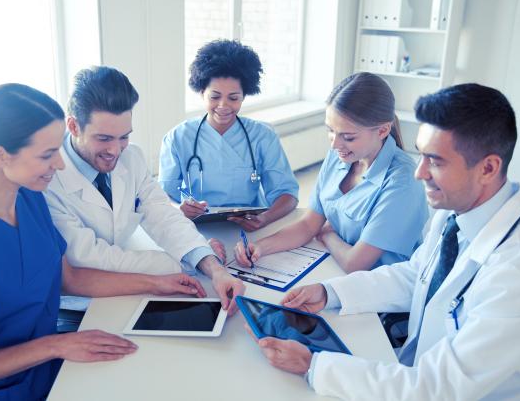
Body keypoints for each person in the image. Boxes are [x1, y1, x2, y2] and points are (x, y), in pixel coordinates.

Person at [0, 84, 208, 400]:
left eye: (58, 149)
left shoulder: (29, 200)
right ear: (0, 156)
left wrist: (156, 284)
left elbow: (69, 278)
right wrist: (56, 344)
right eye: (47, 155)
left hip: (46, 369)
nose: (59, 164)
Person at [247, 83, 520, 400]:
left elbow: (437, 388)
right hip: (410, 371)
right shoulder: (455, 213)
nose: (419, 173)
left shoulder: (512, 274)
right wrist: (330, 292)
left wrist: (315, 367)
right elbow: (415, 275)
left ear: (488, 168)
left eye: (435, 161)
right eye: (421, 155)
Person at [45, 66, 244, 312]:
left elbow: (162, 215)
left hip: (130, 288)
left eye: (124, 137)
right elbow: (89, 257)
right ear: (74, 127)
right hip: (79, 305)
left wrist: (211, 266)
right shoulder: (48, 180)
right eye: (104, 138)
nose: (116, 151)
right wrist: (185, 262)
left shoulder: (132, 157)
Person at [235, 72, 428, 272]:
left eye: (348, 137)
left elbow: (355, 264)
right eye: (331, 130)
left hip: (379, 285)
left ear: (382, 131)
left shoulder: (403, 182)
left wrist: (327, 234)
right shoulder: (341, 155)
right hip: (334, 266)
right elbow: (309, 225)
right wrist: (259, 247)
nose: (335, 144)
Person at [158, 39, 299, 231]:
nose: (223, 106)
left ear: (244, 96)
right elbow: (162, 196)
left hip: (250, 226)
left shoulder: (263, 136)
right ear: (201, 92)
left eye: (233, 98)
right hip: (195, 229)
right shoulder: (178, 137)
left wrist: (265, 218)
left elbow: (287, 195)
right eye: (215, 96)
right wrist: (178, 209)